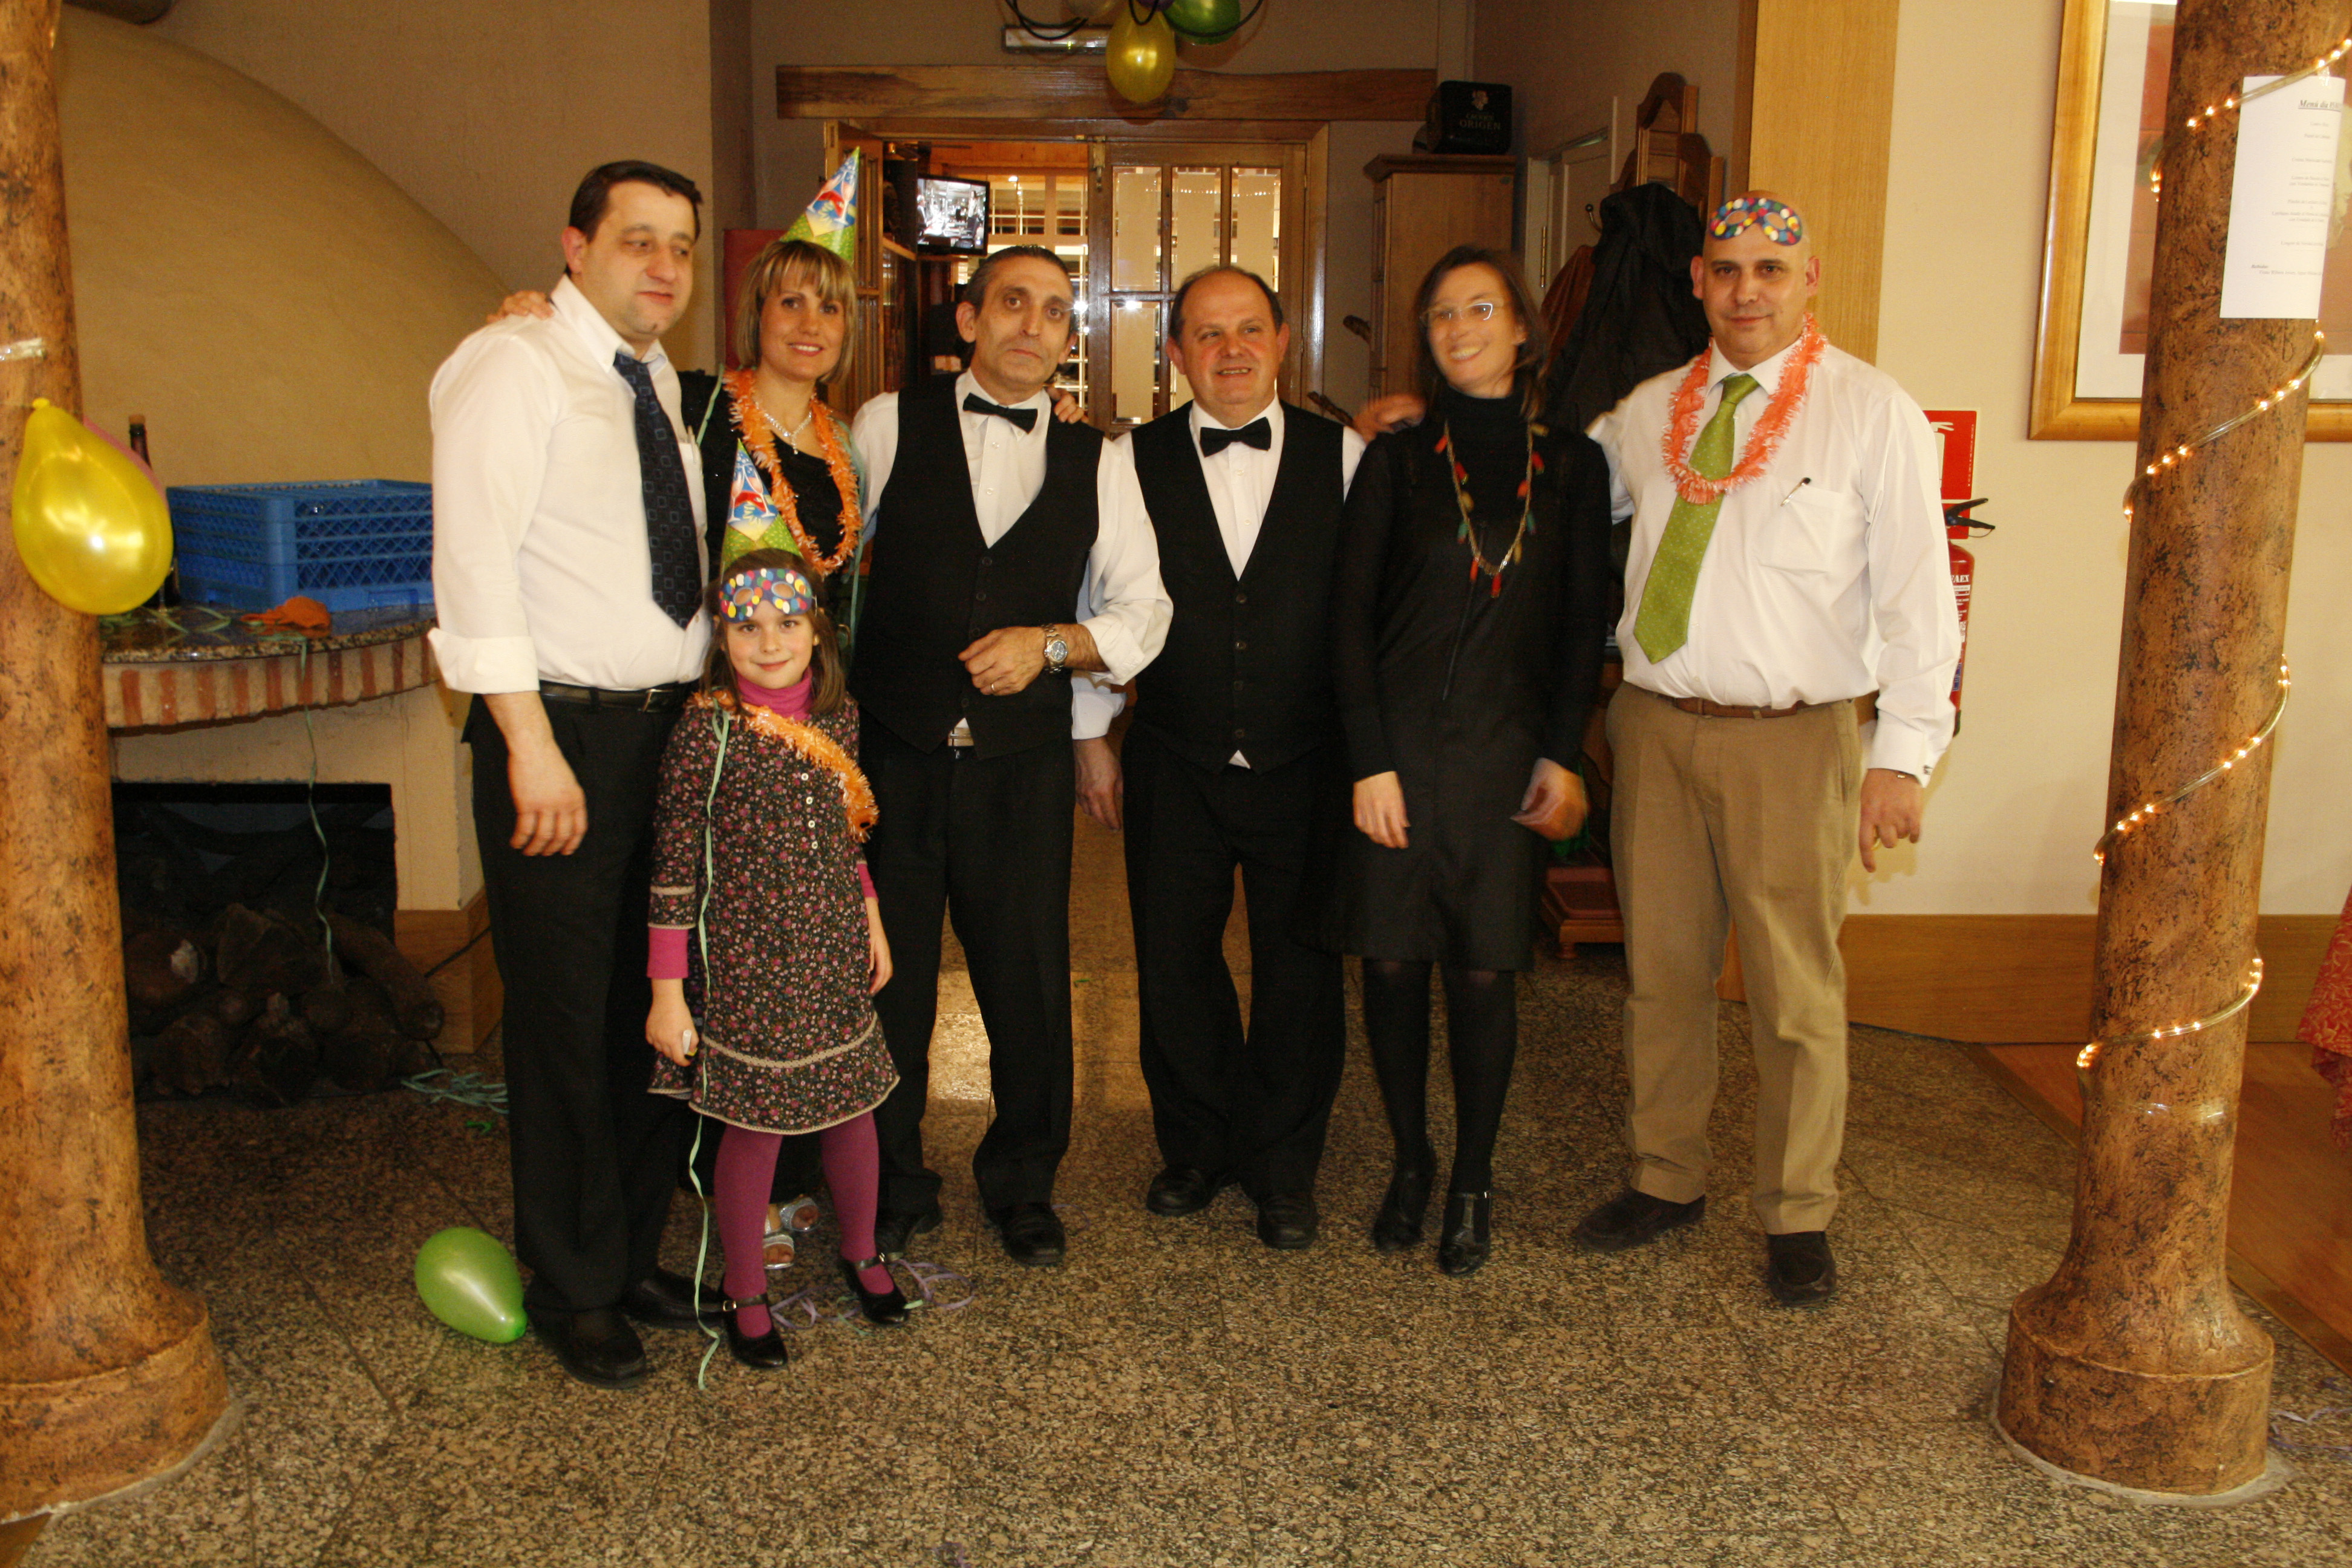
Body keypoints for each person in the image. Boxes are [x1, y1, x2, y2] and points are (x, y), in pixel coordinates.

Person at [1575, 192, 1961, 1305]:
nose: (1748, 291)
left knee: (1795, 994)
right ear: (1698, 281)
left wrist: (1904, 756)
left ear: (1809, 280)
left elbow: (1920, 598)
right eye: (1727, 269)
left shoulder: (1871, 413)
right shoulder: (1650, 411)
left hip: (1793, 743)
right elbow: (1555, 489)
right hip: (1655, 730)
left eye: (1771, 270)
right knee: (1662, 974)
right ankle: (1666, 1176)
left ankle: (1797, 1210)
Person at [430, 160, 719, 1389]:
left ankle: (630, 1254)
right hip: (560, 739)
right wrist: (529, 742)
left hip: (665, 738)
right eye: (637, 239)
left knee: (650, 1008)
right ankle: (570, 1284)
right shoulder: (514, 365)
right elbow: (473, 561)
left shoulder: (657, 383)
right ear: (576, 246)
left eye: (681, 247)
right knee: (558, 1023)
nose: (664, 265)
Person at [848, 244, 1171, 1268]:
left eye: (1056, 311)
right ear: (969, 319)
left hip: (1019, 765)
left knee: (1028, 979)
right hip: (892, 756)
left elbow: (1143, 610)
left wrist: (1052, 648)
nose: (1035, 325)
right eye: (1014, 304)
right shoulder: (886, 424)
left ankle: (1024, 1182)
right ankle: (888, 1178)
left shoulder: (1098, 459)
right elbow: (822, 558)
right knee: (887, 977)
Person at [1325, 246, 1613, 1277]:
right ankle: (1412, 1160)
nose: (1460, 329)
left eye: (1481, 309)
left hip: (1505, 754)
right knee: (1392, 964)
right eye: (1442, 314)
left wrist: (1563, 754)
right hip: (1397, 754)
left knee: (1486, 973)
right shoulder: (1398, 460)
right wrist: (1368, 762)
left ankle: (1474, 1178)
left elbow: (1582, 626)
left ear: (1523, 329)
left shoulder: (1574, 465)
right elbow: (1348, 619)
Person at [1070, 266, 1362, 1250]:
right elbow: (1099, 599)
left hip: (1306, 756)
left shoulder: (1346, 456)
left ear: (1282, 341)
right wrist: (1091, 737)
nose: (1230, 351)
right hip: (1174, 751)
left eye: (1248, 330)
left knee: (1301, 969)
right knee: (1173, 959)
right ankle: (1195, 1147)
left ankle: (1284, 1164)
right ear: (1176, 353)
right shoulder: (1129, 459)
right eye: (1207, 333)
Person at [644, 552, 907, 1371]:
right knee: (755, 1127)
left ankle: (862, 1251)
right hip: (746, 965)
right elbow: (673, 866)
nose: (769, 643)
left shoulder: (840, 718)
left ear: (817, 632)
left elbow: (848, 834)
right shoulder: (706, 731)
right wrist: (667, 992)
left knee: (852, 1108)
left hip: (831, 948)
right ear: (721, 638)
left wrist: (871, 917)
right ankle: (746, 1289)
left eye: (788, 623)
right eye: (747, 627)